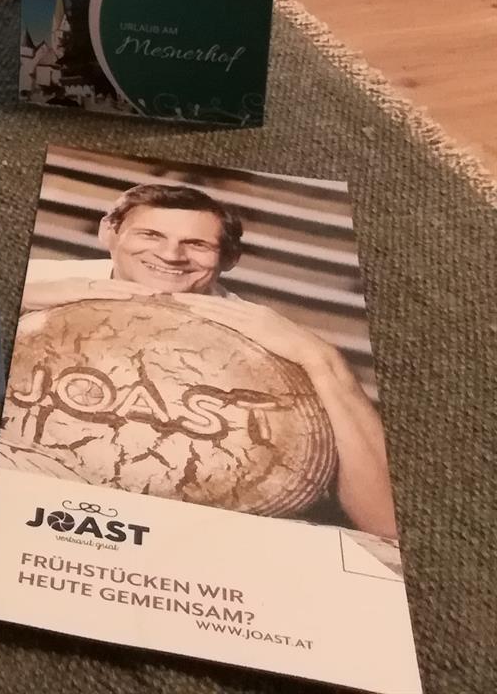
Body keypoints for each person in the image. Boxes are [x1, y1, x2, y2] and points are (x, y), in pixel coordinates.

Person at [21, 182, 396, 537]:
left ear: (230, 258)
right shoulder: (35, 282)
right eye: (150, 235)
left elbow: (385, 523)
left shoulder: (270, 341)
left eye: (197, 244)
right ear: (109, 232)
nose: (171, 255)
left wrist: (322, 359)